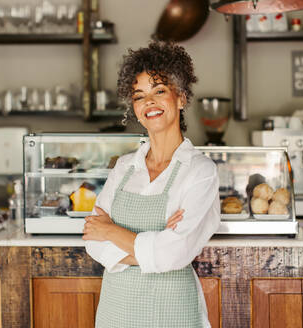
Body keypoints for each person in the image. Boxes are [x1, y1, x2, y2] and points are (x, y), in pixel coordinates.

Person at [83, 41, 220, 328]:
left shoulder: (200, 171)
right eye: (139, 96)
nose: (150, 103)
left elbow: (176, 252)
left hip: (173, 310)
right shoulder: (123, 168)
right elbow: (94, 244)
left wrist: (111, 230)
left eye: (159, 91)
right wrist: (155, 248)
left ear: (181, 98)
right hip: (116, 310)